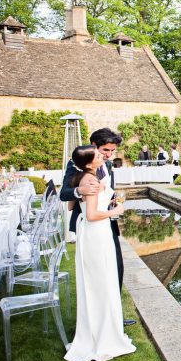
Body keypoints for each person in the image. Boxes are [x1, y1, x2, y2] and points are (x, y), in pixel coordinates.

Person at [64, 145, 136, 361]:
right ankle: (103, 337)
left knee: (97, 282)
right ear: (88, 163)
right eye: (97, 155)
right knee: (102, 282)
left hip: (94, 232)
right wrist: (114, 211)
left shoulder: (85, 177)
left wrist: (104, 198)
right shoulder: (90, 181)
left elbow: (70, 206)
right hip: (97, 232)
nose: (102, 156)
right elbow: (93, 214)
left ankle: (99, 331)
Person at [60, 128, 130, 318]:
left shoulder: (106, 165)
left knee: (117, 268)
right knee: (98, 274)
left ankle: (113, 317)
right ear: (94, 146)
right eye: (105, 150)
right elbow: (64, 194)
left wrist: (113, 198)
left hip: (107, 223)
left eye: (112, 151)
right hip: (93, 225)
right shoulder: (77, 164)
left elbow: (106, 189)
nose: (109, 155)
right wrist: (80, 190)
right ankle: (105, 319)